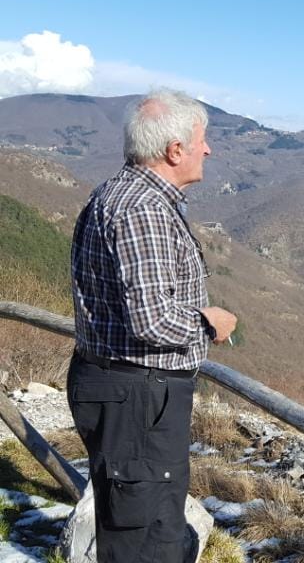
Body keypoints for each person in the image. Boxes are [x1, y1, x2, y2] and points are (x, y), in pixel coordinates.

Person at [67, 89, 237, 562]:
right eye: (201, 141)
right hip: (138, 397)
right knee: (147, 539)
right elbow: (153, 319)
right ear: (175, 149)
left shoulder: (119, 192)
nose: (208, 150)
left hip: (126, 392)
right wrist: (208, 322)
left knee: (137, 525)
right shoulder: (144, 209)